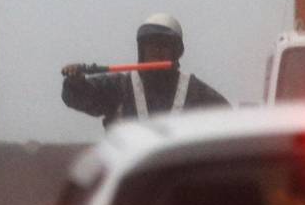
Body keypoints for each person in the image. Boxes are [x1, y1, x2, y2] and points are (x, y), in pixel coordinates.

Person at [61, 13, 230, 127]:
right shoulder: (120, 88)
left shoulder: (196, 93)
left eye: (164, 46)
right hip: (133, 178)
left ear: (176, 51)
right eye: (151, 46)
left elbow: (227, 122)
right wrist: (75, 83)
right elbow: (79, 97)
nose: (157, 51)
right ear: (142, 51)